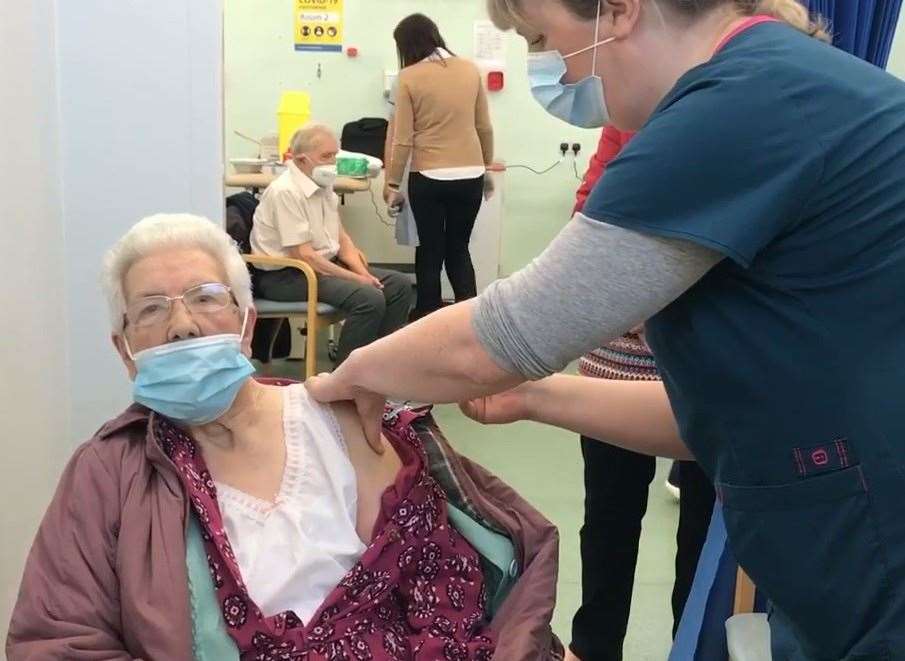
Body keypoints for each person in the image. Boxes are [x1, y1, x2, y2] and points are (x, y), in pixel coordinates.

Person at [306, 0, 905, 657]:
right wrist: (534, 396)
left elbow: (504, 334)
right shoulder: (791, 82)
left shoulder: (738, 106)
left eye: (542, 38)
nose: (547, 69)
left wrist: (346, 377)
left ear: (619, 11)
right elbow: (716, 415)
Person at [5, 215, 562, 660]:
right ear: (123, 351)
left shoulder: (347, 417)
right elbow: (57, 640)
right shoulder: (109, 472)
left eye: (204, 297)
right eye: (150, 310)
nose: (182, 325)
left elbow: (471, 576)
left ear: (248, 325)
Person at [568, 125, 714, 661]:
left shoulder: (741, 119)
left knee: (704, 523)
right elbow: (586, 220)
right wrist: (632, 303)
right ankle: (594, 646)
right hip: (619, 359)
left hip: (707, 365)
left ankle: (693, 643)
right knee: (609, 514)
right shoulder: (628, 118)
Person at [251, 124, 413, 365]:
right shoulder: (285, 191)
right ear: (302, 160)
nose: (333, 163)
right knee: (369, 298)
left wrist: (363, 273)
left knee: (399, 286)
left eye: (335, 155)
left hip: (320, 266)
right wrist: (359, 280)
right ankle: (344, 380)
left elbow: (342, 240)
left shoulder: (323, 185)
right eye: (326, 157)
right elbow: (304, 256)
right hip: (287, 275)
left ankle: (379, 368)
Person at [384, 14, 494, 319]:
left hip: (429, 175)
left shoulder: (408, 77)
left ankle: (427, 320)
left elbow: (403, 138)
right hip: (471, 174)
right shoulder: (471, 70)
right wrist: (486, 169)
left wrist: (392, 184)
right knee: (459, 248)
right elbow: (484, 127)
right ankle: (470, 321)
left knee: (430, 249)